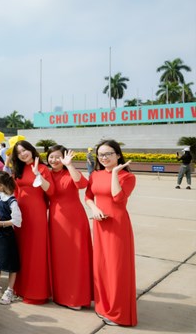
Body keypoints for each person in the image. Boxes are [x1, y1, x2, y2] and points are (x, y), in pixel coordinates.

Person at [85, 139, 136, 326]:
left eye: (108, 154)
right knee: (102, 266)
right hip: (100, 225)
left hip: (117, 226)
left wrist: (114, 173)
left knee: (116, 269)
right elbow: (88, 196)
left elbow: (118, 198)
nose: (104, 157)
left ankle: (118, 313)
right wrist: (94, 209)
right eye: (101, 155)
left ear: (118, 155)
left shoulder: (128, 177)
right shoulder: (95, 174)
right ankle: (103, 307)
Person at [46, 145, 93, 310]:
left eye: (58, 157)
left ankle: (77, 298)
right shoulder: (46, 174)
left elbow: (82, 184)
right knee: (60, 258)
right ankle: (62, 295)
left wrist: (69, 165)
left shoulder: (70, 172)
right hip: (56, 219)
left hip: (74, 219)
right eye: (51, 157)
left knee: (76, 257)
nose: (54, 160)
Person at [10, 140, 54, 304]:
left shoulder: (42, 168)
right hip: (20, 213)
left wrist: (38, 175)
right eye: (19, 153)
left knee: (36, 251)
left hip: (36, 213)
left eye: (24, 150)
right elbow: (15, 192)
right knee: (22, 250)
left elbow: (51, 190)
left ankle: (36, 292)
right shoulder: (18, 169)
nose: (22, 154)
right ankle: (20, 289)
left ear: (31, 149)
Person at [0, 171, 21, 305]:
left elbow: (17, 221)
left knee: (11, 263)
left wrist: (1, 223)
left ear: (1, 185)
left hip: (6, 236)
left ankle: (9, 290)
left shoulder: (12, 201)